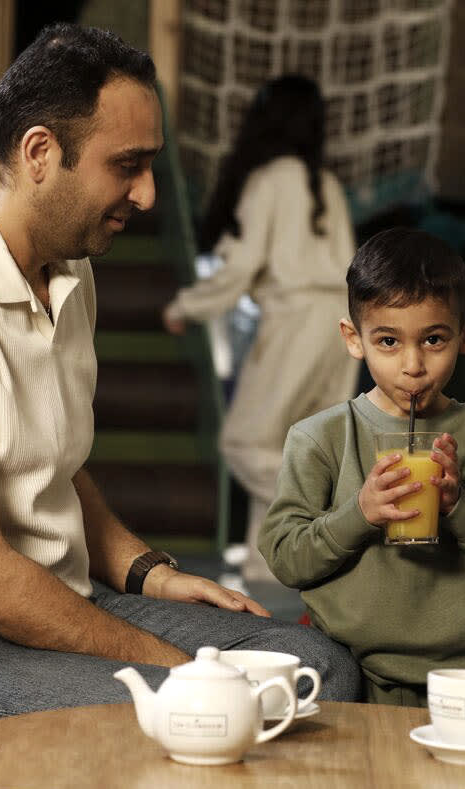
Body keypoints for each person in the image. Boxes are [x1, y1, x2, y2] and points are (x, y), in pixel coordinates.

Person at [0, 24, 359, 728]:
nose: (148, 194)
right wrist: (177, 671)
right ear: (40, 152)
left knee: (320, 670)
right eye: (128, 165)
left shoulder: (68, 270)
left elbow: (50, 466)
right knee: (203, 709)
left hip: (50, 603)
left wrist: (151, 573)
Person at [259, 228, 465, 706]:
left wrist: (461, 507)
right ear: (354, 340)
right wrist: (360, 512)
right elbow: (285, 558)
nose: (413, 365)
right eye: (389, 341)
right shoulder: (320, 438)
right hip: (347, 666)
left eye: (434, 339)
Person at [161, 75, 359, 583]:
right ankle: (269, 563)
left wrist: (187, 306)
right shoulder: (328, 185)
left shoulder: (269, 179)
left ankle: (334, 522)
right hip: (343, 325)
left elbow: (240, 267)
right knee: (300, 447)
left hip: (295, 321)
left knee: (244, 442)